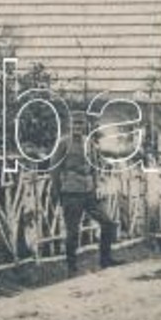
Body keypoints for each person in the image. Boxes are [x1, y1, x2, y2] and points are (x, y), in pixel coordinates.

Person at [51, 114, 120, 276]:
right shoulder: (63, 143)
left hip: (89, 191)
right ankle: (71, 267)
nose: (78, 127)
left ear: (85, 126)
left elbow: (94, 166)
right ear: (69, 125)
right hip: (71, 192)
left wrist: (96, 187)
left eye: (80, 124)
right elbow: (54, 169)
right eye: (75, 124)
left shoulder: (89, 143)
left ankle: (105, 259)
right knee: (73, 232)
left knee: (108, 223)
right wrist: (57, 192)